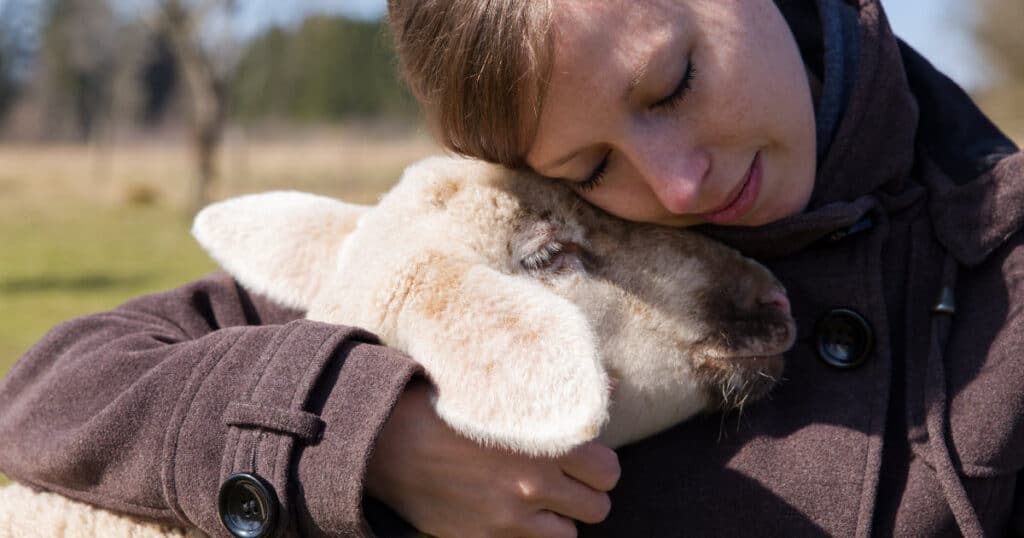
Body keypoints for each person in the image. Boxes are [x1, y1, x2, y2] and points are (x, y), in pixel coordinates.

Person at [1, 0, 1022, 536]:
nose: (674, 188)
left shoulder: (1003, 280)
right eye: (589, 166)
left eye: (671, 82)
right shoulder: (519, 224)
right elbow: (48, 393)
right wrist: (368, 435)